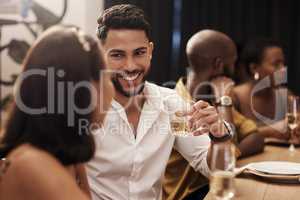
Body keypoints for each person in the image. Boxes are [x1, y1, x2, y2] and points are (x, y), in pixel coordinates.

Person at [86, 4, 232, 200]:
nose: (130, 66)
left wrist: (219, 136)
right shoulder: (83, 109)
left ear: (150, 51)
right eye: (118, 55)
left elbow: (212, 169)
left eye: (139, 53)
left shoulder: (171, 104)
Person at [0, 26, 115, 200]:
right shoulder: (32, 165)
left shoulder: (58, 159)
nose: (112, 91)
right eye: (107, 78)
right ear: (84, 88)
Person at [163, 30, 264, 200]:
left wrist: (231, 151)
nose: (235, 69)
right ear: (218, 64)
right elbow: (226, 158)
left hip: (212, 189)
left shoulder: (210, 99)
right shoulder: (177, 108)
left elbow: (255, 136)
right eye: (233, 63)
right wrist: (224, 100)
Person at [232, 38, 290, 140]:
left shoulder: (285, 95)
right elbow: (229, 136)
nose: (283, 69)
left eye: (283, 63)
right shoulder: (235, 96)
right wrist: (271, 130)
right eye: (276, 64)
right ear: (254, 68)